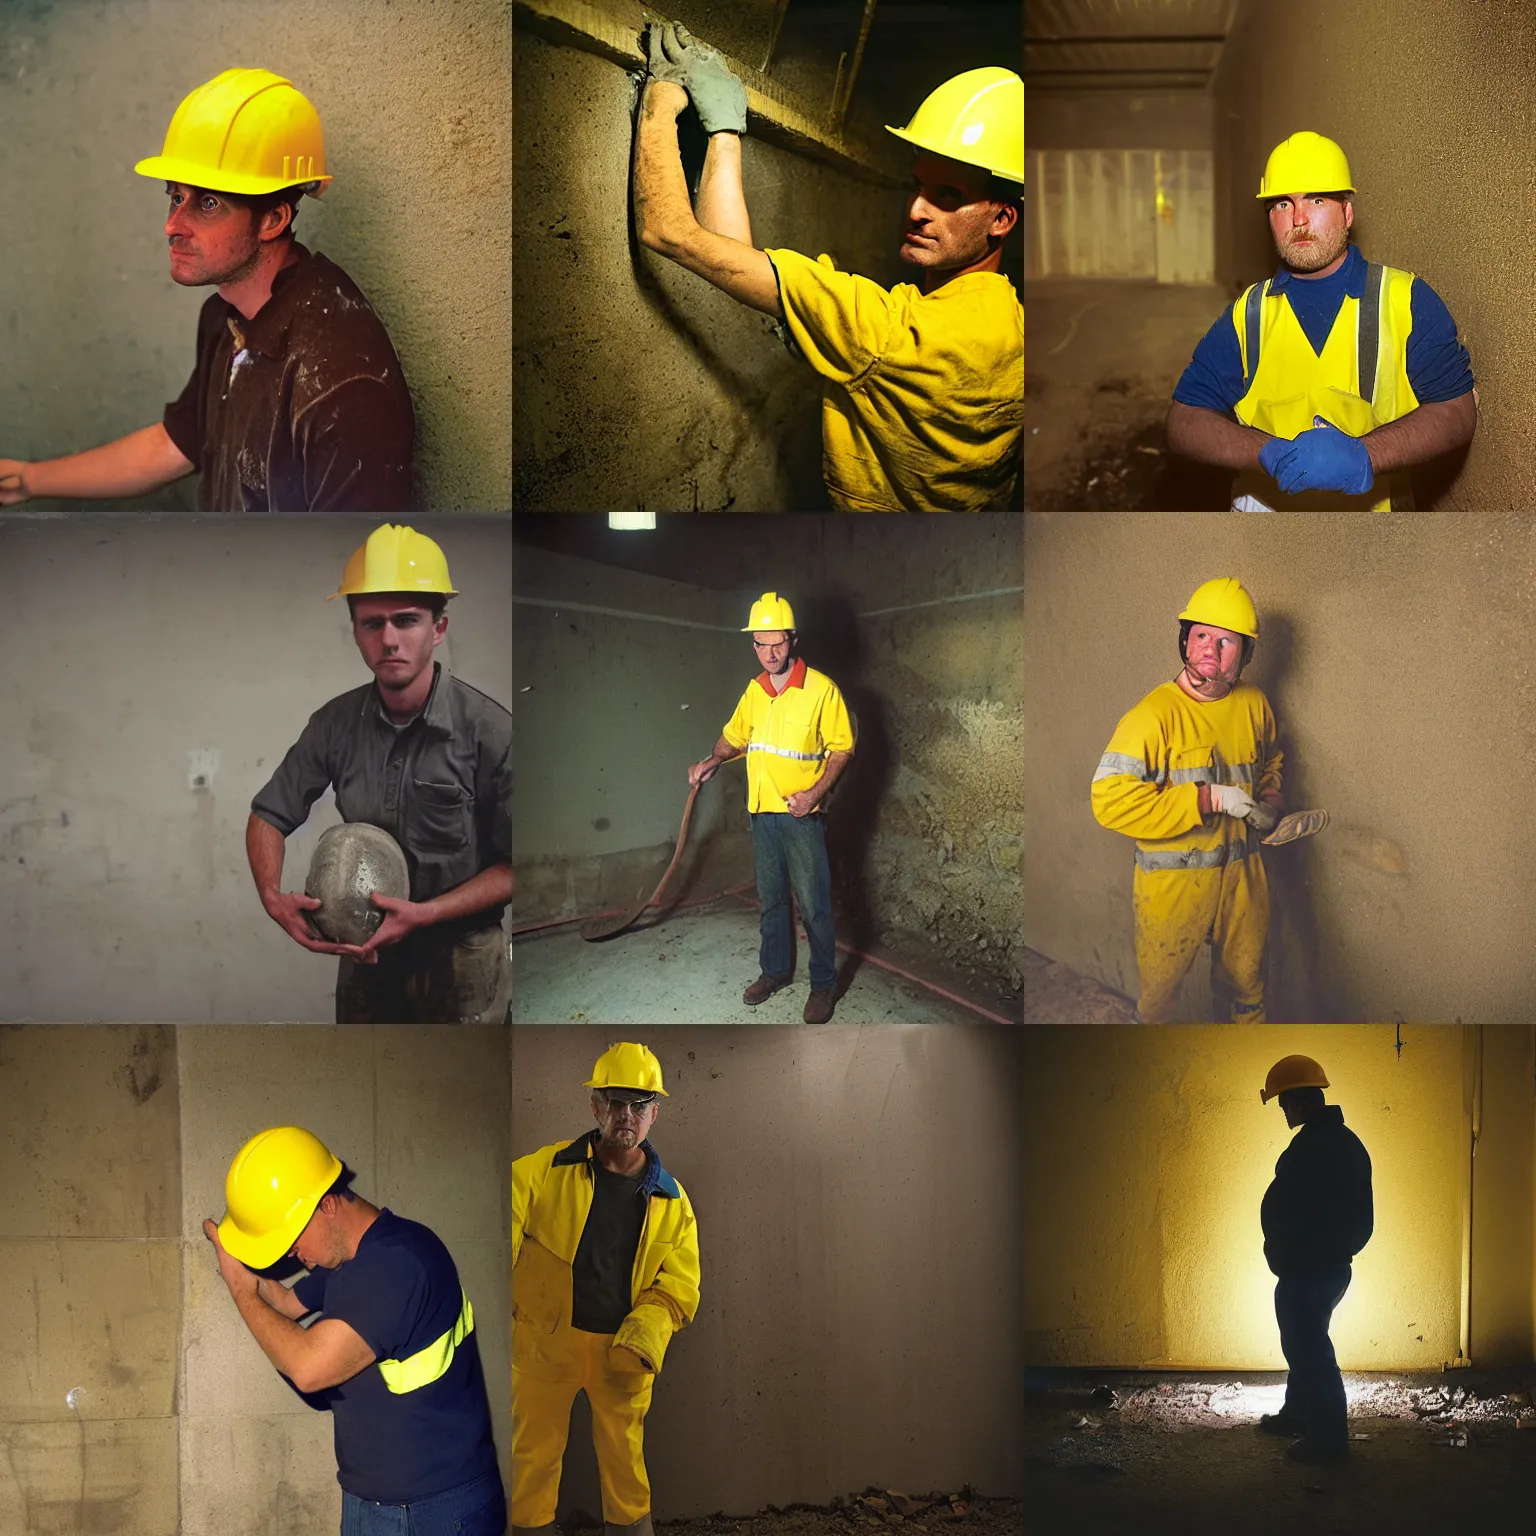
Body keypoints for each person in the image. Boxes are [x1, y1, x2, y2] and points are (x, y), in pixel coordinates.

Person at [632, 24, 1023, 511]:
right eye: (919, 187)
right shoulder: (1012, 322)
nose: (917, 210)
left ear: (1003, 219)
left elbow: (669, 232)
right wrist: (724, 135)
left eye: (949, 196)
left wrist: (663, 97)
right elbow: (735, 258)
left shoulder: (891, 334)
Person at [0, 68, 414, 512]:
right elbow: (179, 443)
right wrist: (26, 479)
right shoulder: (229, 312)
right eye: (175, 197)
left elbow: (352, 565)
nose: (172, 225)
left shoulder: (340, 377)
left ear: (273, 220)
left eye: (208, 203)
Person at [247, 523, 512, 1022]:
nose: (389, 639)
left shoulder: (490, 732)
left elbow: (516, 866)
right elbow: (268, 813)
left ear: (438, 628)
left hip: (462, 956)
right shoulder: (334, 725)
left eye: (407, 620)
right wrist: (271, 897)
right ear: (356, 632)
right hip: (364, 951)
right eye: (373, 623)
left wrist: (425, 914)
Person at [204, 1125, 504, 1533]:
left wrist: (242, 1294)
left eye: (290, 1239)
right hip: (375, 1504)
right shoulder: (343, 1264)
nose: (290, 1253)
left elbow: (308, 1368)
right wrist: (239, 1258)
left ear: (327, 1204)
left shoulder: (398, 1260)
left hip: (437, 1509)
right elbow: (284, 1304)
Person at [1168, 131, 1475, 511]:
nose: (1298, 218)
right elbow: (1184, 421)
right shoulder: (1248, 314)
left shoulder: (1405, 301)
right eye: (1282, 204)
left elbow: (1456, 411)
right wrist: (1266, 453)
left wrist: (1367, 455)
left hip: (1375, 529)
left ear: (1347, 213)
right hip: (1264, 526)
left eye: (1316, 199)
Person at [512, 1043, 701, 1536]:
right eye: (616, 1102)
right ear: (596, 1107)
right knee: (531, 1463)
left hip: (621, 1352)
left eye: (639, 1105)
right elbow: (501, 1224)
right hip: (545, 1345)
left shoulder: (672, 1203)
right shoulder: (542, 1171)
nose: (626, 1116)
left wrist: (646, 1334)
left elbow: (678, 1286)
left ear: (654, 1114)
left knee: (626, 1470)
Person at [1091, 579, 1283, 1022]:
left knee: (1247, 989)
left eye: (1225, 641)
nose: (1210, 649)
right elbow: (1108, 800)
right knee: (1159, 1000)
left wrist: (1271, 795)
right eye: (1200, 635)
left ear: (1246, 654)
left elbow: (1272, 755)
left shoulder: (1255, 704)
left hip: (1242, 882)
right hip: (1174, 889)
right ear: (1184, 640)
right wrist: (1207, 798)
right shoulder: (1153, 716)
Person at [689, 593, 855, 1023]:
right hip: (760, 814)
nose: (770, 653)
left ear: (793, 639)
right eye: (761, 644)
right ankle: (775, 971)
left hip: (800, 817)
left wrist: (813, 796)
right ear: (754, 645)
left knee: (814, 903)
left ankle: (822, 986)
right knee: (772, 900)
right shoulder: (755, 691)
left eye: (777, 643)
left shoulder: (821, 690)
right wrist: (713, 759)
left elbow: (841, 750)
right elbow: (735, 736)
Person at [1257, 1054, 1374, 1462]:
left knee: (1309, 1349)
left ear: (1298, 1100)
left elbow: (1296, 1210)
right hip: (1325, 1265)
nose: (1282, 1111)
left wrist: (1286, 1257)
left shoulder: (1317, 1147)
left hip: (1311, 1267)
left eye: (1282, 1103)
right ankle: (1299, 1413)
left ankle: (1327, 1441)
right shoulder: (1342, 1142)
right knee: (1304, 1342)